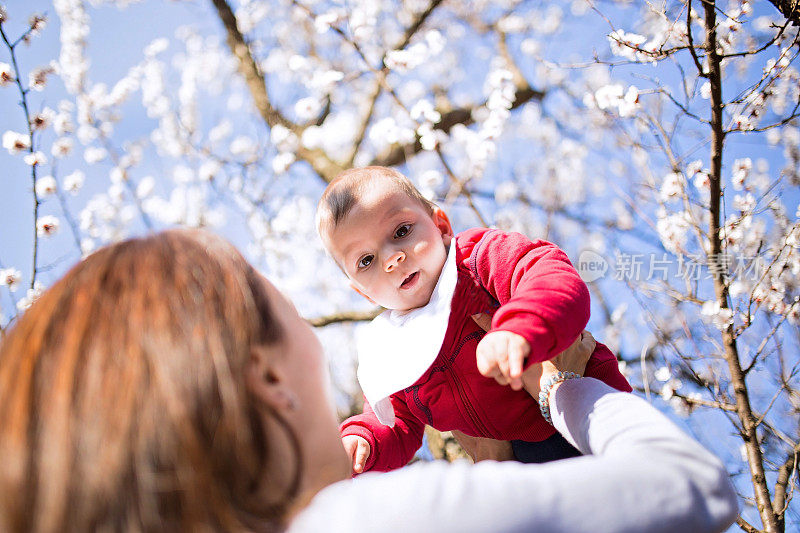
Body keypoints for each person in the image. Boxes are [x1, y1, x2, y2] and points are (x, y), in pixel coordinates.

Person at [0, 229, 737, 532]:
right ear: (264, 372)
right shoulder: (365, 521)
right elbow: (692, 485)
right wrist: (559, 388)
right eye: (275, 299)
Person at [316, 166, 632, 473]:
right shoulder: (394, 350)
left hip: (580, 398)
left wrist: (521, 327)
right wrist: (363, 440)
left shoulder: (476, 262)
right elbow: (393, 420)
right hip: (515, 459)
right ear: (363, 293)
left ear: (440, 226)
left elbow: (547, 274)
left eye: (401, 231)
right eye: (367, 260)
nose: (391, 258)